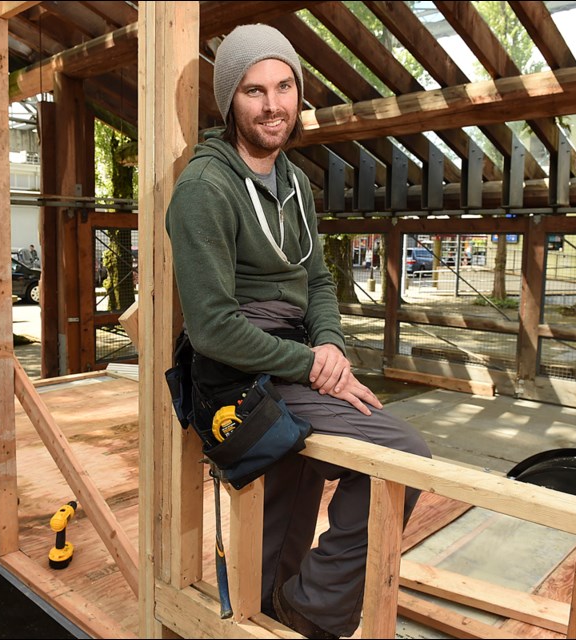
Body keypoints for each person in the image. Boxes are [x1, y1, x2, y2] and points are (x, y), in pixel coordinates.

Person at [165, 24, 431, 639]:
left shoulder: (295, 183)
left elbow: (315, 280)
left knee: (291, 494)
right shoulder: (205, 189)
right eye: (254, 90)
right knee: (404, 455)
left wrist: (331, 343)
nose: (273, 104)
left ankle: (277, 611)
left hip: (296, 347)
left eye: (284, 86)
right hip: (241, 363)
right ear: (230, 99)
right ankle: (314, 610)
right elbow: (211, 328)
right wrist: (309, 365)